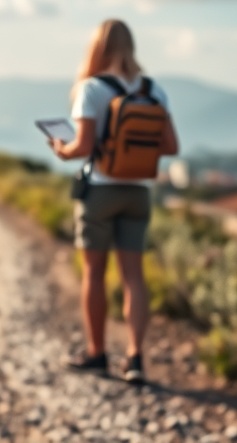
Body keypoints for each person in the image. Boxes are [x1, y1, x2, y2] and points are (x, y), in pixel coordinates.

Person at [49, 19, 179, 384]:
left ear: (96, 48)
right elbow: (171, 146)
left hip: (101, 191)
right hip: (139, 192)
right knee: (134, 276)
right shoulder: (153, 90)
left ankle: (97, 353)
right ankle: (135, 358)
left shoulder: (92, 88)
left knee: (94, 273)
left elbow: (83, 147)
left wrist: (61, 149)